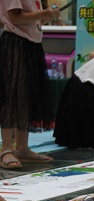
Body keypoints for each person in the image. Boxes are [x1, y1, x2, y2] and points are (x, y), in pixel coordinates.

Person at [0, 1, 61, 169]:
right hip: (15, 42)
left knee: (26, 95)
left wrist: (48, 17)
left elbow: (30, 20)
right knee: (12, 95)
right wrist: (45, 14)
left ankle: (22, 147)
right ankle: (6, 149)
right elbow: (14, 17)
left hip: (30, 43)